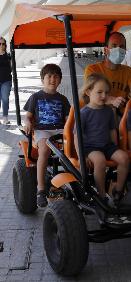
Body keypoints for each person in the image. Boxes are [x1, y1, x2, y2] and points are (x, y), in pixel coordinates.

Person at [74, 73, 129, 205]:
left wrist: (116, 148)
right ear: (88, 92)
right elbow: (77, 136)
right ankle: (101, 194)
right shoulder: (84, 113)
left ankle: (118, 190)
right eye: (99, 92)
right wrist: (81, 156)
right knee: (100, 160)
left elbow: (112, 131)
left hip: (107, 146)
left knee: (124, 158)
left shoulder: (109, 111)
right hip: (91, 147)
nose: (104, 96)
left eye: (106, 92)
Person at [23, 64, 70, 207]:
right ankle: (41, 189)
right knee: (44, 150)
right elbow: (28, 116)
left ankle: (74, 182)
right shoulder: (35, 97)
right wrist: (27, 123)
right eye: (49, 76)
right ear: (42, 79)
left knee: (73, 148)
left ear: (60, 80)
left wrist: (72, 130)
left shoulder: (62, 99)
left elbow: (68, 119)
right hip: (42, 130)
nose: (52, 79)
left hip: (59, 130)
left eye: (56, 76)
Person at [84, 32, 131, 112]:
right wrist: (111, 100)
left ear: (125, 51)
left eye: (121, 46)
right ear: (105, 50)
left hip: (121, 116)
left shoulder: (129, 71)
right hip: (99, 113)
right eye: (114, 46)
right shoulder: (93, 70)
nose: (118, 49)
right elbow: (90, 96)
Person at [0, 37, 12, 125]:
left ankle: (5, 118)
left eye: (3, 44)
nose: (1, 45)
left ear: (5, 45)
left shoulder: (8, 56)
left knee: (5, 99)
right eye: (0, 44)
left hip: (6, 80)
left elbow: (11, 68)